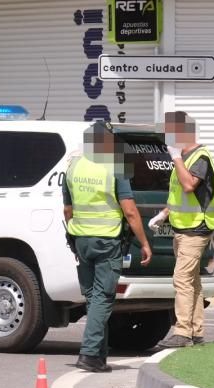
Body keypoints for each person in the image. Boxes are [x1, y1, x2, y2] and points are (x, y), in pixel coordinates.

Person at [64, 121, 152, 372]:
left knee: (93, 298)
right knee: (103, 297)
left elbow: (67, 210)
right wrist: (144, 243)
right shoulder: (115, 167)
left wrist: (76, 234)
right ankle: (90, 353)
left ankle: (99, 356)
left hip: (81, 240)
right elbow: (130, 211)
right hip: (107, 240)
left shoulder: (74, 167)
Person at [154, 111, 214, 348]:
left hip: (196, 227)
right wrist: (164, 214)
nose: (167, 136)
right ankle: (196, 331)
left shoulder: (198, 156)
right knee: (191, 280)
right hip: (182, 226)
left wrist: (176, 159)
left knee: (181, 279)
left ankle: (182, 333)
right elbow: (179, 195)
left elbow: (189, 185)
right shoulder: (184, 157)